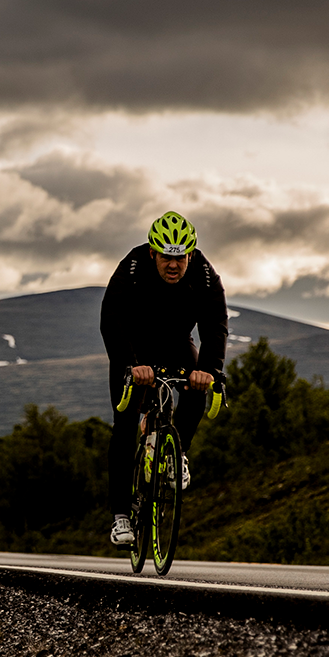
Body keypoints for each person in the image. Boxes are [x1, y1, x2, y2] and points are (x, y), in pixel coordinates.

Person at [100, 211, 226, 547]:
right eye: (167, 257)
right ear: (153, 252)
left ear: (190, 255)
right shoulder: (132, 267)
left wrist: (210, 371)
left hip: (176, 343)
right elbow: (111, 319)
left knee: (200, 386)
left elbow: (216, 325)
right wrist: (131, 365)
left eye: (180, 258)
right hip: (133, 346)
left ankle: (175, 452)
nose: (173, 265)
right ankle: (121, 516)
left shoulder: (204, 274)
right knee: (125, 424)